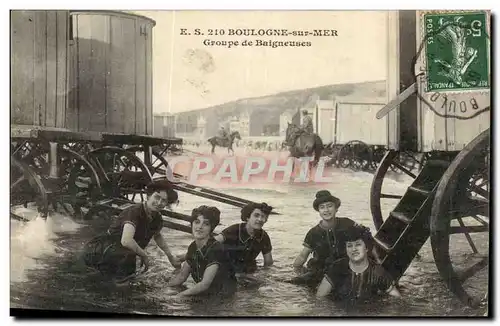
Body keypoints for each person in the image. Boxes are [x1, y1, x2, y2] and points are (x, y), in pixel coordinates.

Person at [82, 180, 182, 282]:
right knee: (117, 280)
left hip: (122, 252)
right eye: (157, 197)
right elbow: (126, 240)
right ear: (148, 196)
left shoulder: (157, 217)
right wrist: (144, 255)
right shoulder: (135, 212)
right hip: (103, 250)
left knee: (128, 277)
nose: (159, 203)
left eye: (164, 200)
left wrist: (170, 257)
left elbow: (157, 235)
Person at [316, 224, 401, 303]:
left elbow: (398, 301)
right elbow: (319, 299)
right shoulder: (337, 268)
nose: (354, 249)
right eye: (349, 246)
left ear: (367, 247)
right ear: (345, 249)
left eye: (358, 244)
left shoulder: (378, 272)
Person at [291, 190, 360, 288]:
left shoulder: (348, 224)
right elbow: (303, 256)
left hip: (345, 270)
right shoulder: (313, 233)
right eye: (322, 207)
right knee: (292, 283)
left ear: (336, 208)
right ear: (318, 211)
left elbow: (365, 242)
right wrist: (297, 271)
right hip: (320, 273)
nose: (326, 210)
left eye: (329, 206)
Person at [167, 206, 237, 297]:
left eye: (206, 224)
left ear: (211, 228)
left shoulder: (216, 249)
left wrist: (179, 295)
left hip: (223, 295)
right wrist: (166, 288)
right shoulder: (193, 246)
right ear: (192, 224)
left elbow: (204, 284)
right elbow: (181, 277)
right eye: (197, 222)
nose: (199, 227)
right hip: (207, 292)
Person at [214, 202, 274, 274]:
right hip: (228, 270)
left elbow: (268, 263)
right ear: (247, 217)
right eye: (256, 215)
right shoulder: (234, 230)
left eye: (263, 217)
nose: (260, 219)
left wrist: (264, 276)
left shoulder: (264, 236)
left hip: (249, 271)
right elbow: (211, 243)